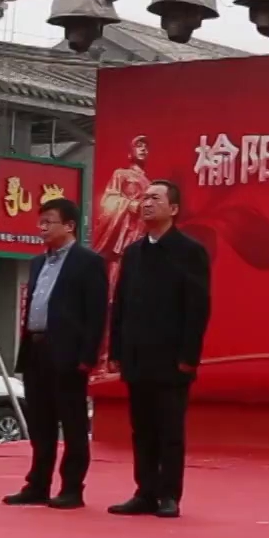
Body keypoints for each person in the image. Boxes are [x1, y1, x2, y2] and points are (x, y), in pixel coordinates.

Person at [107, 180, 210, 519]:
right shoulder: (134, 253)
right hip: (137, 357)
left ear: (174, 209)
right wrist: (116, 350)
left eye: (155, 198)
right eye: (144, 198)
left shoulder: (190, 251)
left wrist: (188, 357)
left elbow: (197, 308)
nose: (147, 203)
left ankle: (169, 494)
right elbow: (120, 304)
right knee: (142, 429)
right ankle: (145, 492)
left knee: (169, 430)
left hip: (171, 359)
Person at [3, 197, 108, 509]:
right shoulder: (38, 262)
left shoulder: (89, 262)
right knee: (40, 421)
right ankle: (38, 483)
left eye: (49, 221)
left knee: (72, 422)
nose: (42, 228)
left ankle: (72, 487)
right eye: (41, 222)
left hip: (68, 353)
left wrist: (88, 356)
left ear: (70, 225)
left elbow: (96, 313)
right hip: (36, 349)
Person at [91, 135, 151, 374]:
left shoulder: (150, 183)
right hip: (121, 245)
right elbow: (108, 201)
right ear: (129, 151)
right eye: (138, 145)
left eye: (146, 146)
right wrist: (129, 205)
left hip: (140, 244)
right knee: (112, 300)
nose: (143, 149)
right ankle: (104, 357)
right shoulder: (121, 175)